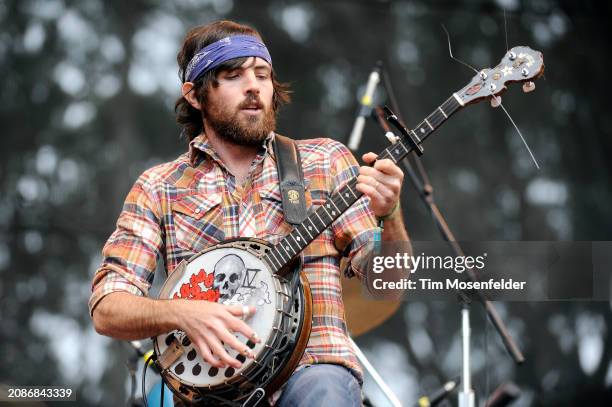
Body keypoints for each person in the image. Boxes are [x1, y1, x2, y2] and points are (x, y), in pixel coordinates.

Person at [89, 20, 410, 406]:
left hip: (314, 373)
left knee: (323, 388)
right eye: (234, 75)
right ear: (194, 95)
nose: (254, 85)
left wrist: (389, 215)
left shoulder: (325, 160)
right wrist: (183, 313)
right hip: (212, 395)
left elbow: (388, 284)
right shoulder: (159, 187)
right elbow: (108, 308)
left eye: (262, 74)